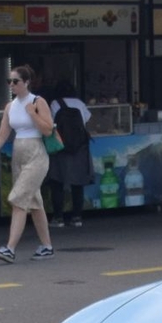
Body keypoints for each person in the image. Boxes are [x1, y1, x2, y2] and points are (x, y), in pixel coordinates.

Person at [0, 65, 57, 262]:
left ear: (27, 82)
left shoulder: (38, 102)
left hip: (36, 154)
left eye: (15, 81)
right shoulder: (10, 106)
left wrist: (33, 114)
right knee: (34, 201)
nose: (12, 85)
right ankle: (47, 246)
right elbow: (3, 134)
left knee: (18, 198)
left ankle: (10, 248)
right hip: (18, 155)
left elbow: (48, 130)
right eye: (9, 82)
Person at [47, 84, 93, 226]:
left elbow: (50, 124)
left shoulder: (55, 103)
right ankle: (77, 217)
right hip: (79, 148)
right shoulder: (80, 103)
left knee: (57, 182)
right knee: (77, 183)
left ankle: (58, 217)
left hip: (60, 147)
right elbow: (87, 121)